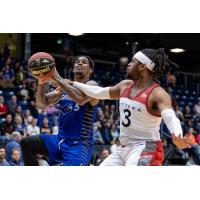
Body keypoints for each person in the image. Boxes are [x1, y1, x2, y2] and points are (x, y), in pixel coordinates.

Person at [72, 48, 190, 166]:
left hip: (148, 146)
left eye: (133, 61)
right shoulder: (125, 85)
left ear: (142, 66)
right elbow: (99, 92)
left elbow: (170, 116)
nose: (129, 64)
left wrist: (177, 134)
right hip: (124, 148)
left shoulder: (157, 93)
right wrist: (74, 84)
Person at [20, 56, 99, 166]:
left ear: (90, 70)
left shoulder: (93, 85)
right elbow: (41, 104)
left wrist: (57, 77)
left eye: (84, 62)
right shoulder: (64, 88)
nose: (79, 63)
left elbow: (80, 99)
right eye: (77, 62)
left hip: (79, 145)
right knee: (26, 144)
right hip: (60, 140)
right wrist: (41, 83)